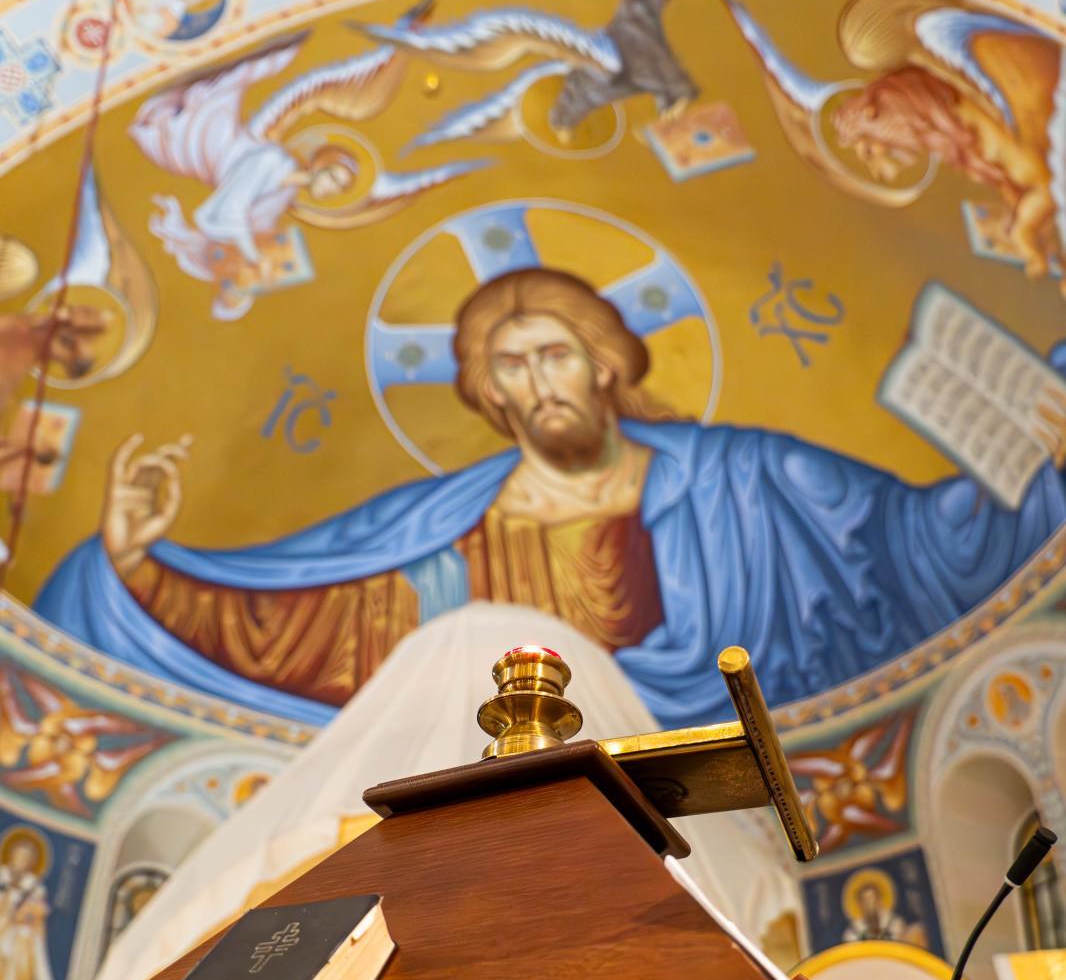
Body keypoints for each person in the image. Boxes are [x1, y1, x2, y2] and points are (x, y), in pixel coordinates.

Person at [35, 268, 1066, 727]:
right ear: (488, 394)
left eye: (556, 354)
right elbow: (296, 620)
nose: (539, 383)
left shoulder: (746, 475)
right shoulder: (440, 533)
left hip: (733, 801)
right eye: (511, 367)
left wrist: (1034, 468)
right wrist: (132, 565)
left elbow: (905, 543)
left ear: (605, 363)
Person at [0, 834, 59, 980]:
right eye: (18, 856)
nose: (21, 861)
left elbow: (38, 945)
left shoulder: (34, 892)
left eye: (27, 858)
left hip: (16, 963)